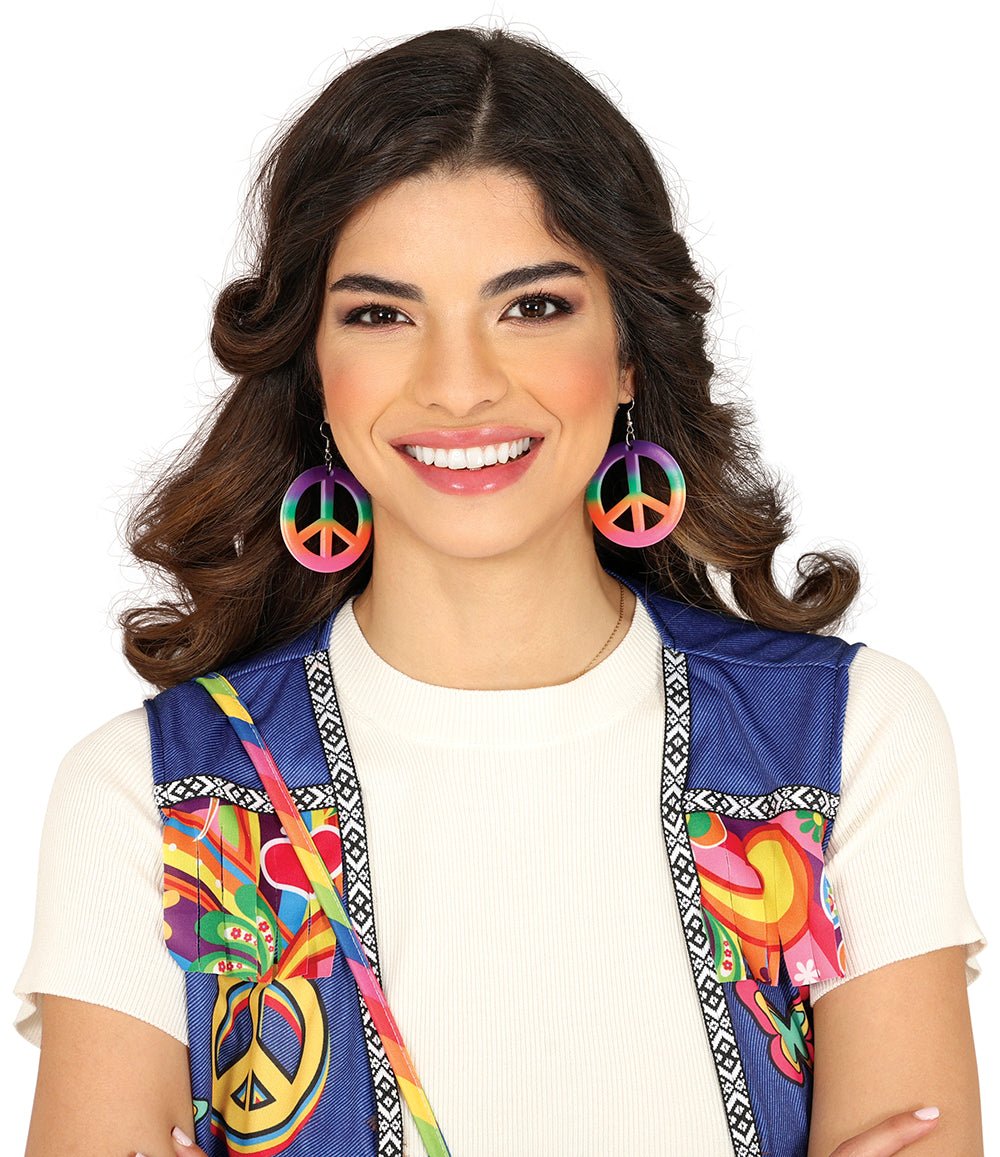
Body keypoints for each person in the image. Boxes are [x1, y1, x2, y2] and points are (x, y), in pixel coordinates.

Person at [15, 24, 984, 1157]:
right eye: (381, 314)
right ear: (313, 368)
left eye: (532, 306)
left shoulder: (841, 739)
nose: (459, 385)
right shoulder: (151, 797)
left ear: (630, 351)